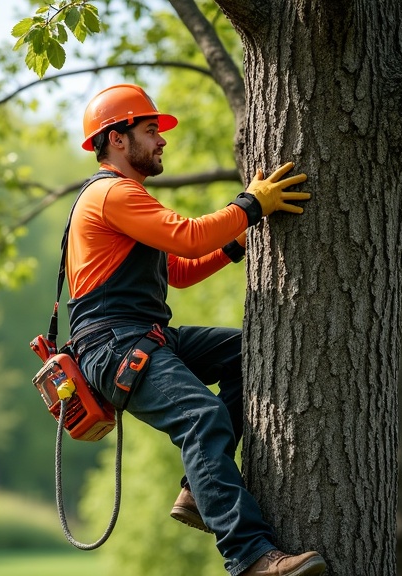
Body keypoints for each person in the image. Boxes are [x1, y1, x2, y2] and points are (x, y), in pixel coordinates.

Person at [65, 83, 326, 576]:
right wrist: (250, 205)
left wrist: (236, 244)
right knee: (202, 418)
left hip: (139, 336)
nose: (161, 140)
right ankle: (249, 557)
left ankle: (195, 490)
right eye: (149, 130)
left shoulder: (127, 198)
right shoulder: (112, 193)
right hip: (115, 345)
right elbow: (187, 238)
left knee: (252, 353)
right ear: (116, 139)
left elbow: (178, 270)